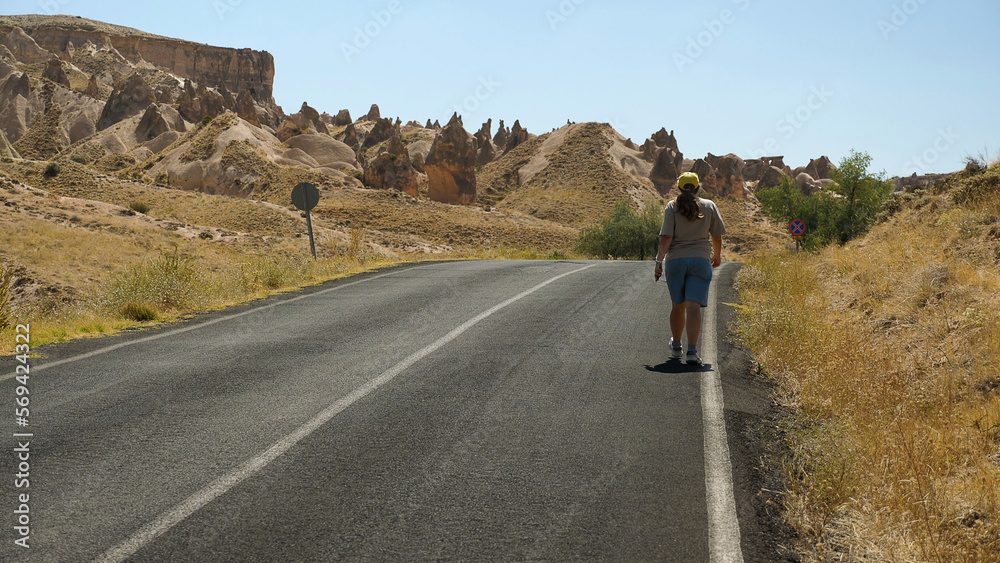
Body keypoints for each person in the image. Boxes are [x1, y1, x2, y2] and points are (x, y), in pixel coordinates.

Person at [653, 172, 726, 365]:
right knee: (694, 306)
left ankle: (677, 345)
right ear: (697, 187)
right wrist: (717, 256)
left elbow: (666, 237)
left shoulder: (672, 206)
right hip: (700, 261)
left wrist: (659, 262)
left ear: (679, 187)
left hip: (676, 261)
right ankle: (692, 351)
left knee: (678, 305)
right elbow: (717, 236)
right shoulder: (709, 206)